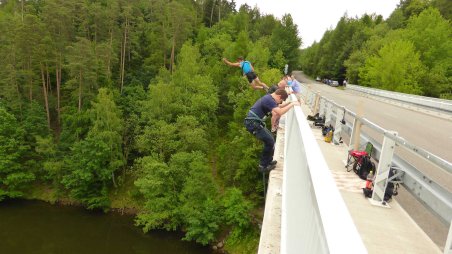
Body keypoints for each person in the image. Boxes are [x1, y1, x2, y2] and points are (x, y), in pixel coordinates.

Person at [244, 89, 300, 173]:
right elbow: (280, 112)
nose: (280, 103)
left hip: (253, 123)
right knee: (270, 141)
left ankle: (268, 161)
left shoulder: (269, 98)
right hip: (253, 123)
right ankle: (262, 166)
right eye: (280, 100)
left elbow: (279, 107)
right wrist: (292, 104)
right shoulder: (269, 100)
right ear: (279, 96)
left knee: (270, 140)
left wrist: (289, 103)